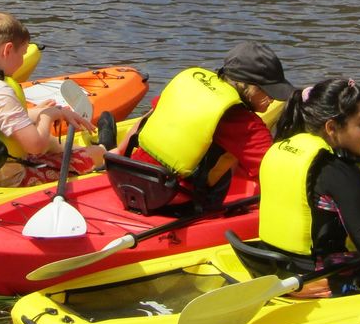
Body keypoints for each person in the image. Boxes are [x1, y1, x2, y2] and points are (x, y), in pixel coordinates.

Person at [258, 77, 360, 296]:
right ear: (331, 127)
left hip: (280, 268)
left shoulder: (283, 147)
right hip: (323, 281)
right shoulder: (344, 174)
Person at [0, 12, 101, 186]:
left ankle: (94, 147)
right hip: (7, 179)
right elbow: (35, 145)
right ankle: (110, 150)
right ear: (7, 50)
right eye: (22, 54)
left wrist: (43, 112)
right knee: (94, 154)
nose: (22, 61)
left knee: (52, 144)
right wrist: (48, 116)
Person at [125, 42, 292, 207]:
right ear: (244, 85)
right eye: (266, 91)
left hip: (128, 180)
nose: (272, 98)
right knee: (229, 158)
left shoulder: (191, 87)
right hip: (176, 200)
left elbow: (144, 122)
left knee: (227, 155)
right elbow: (278, 176)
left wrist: (118, 151)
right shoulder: (246, 125)